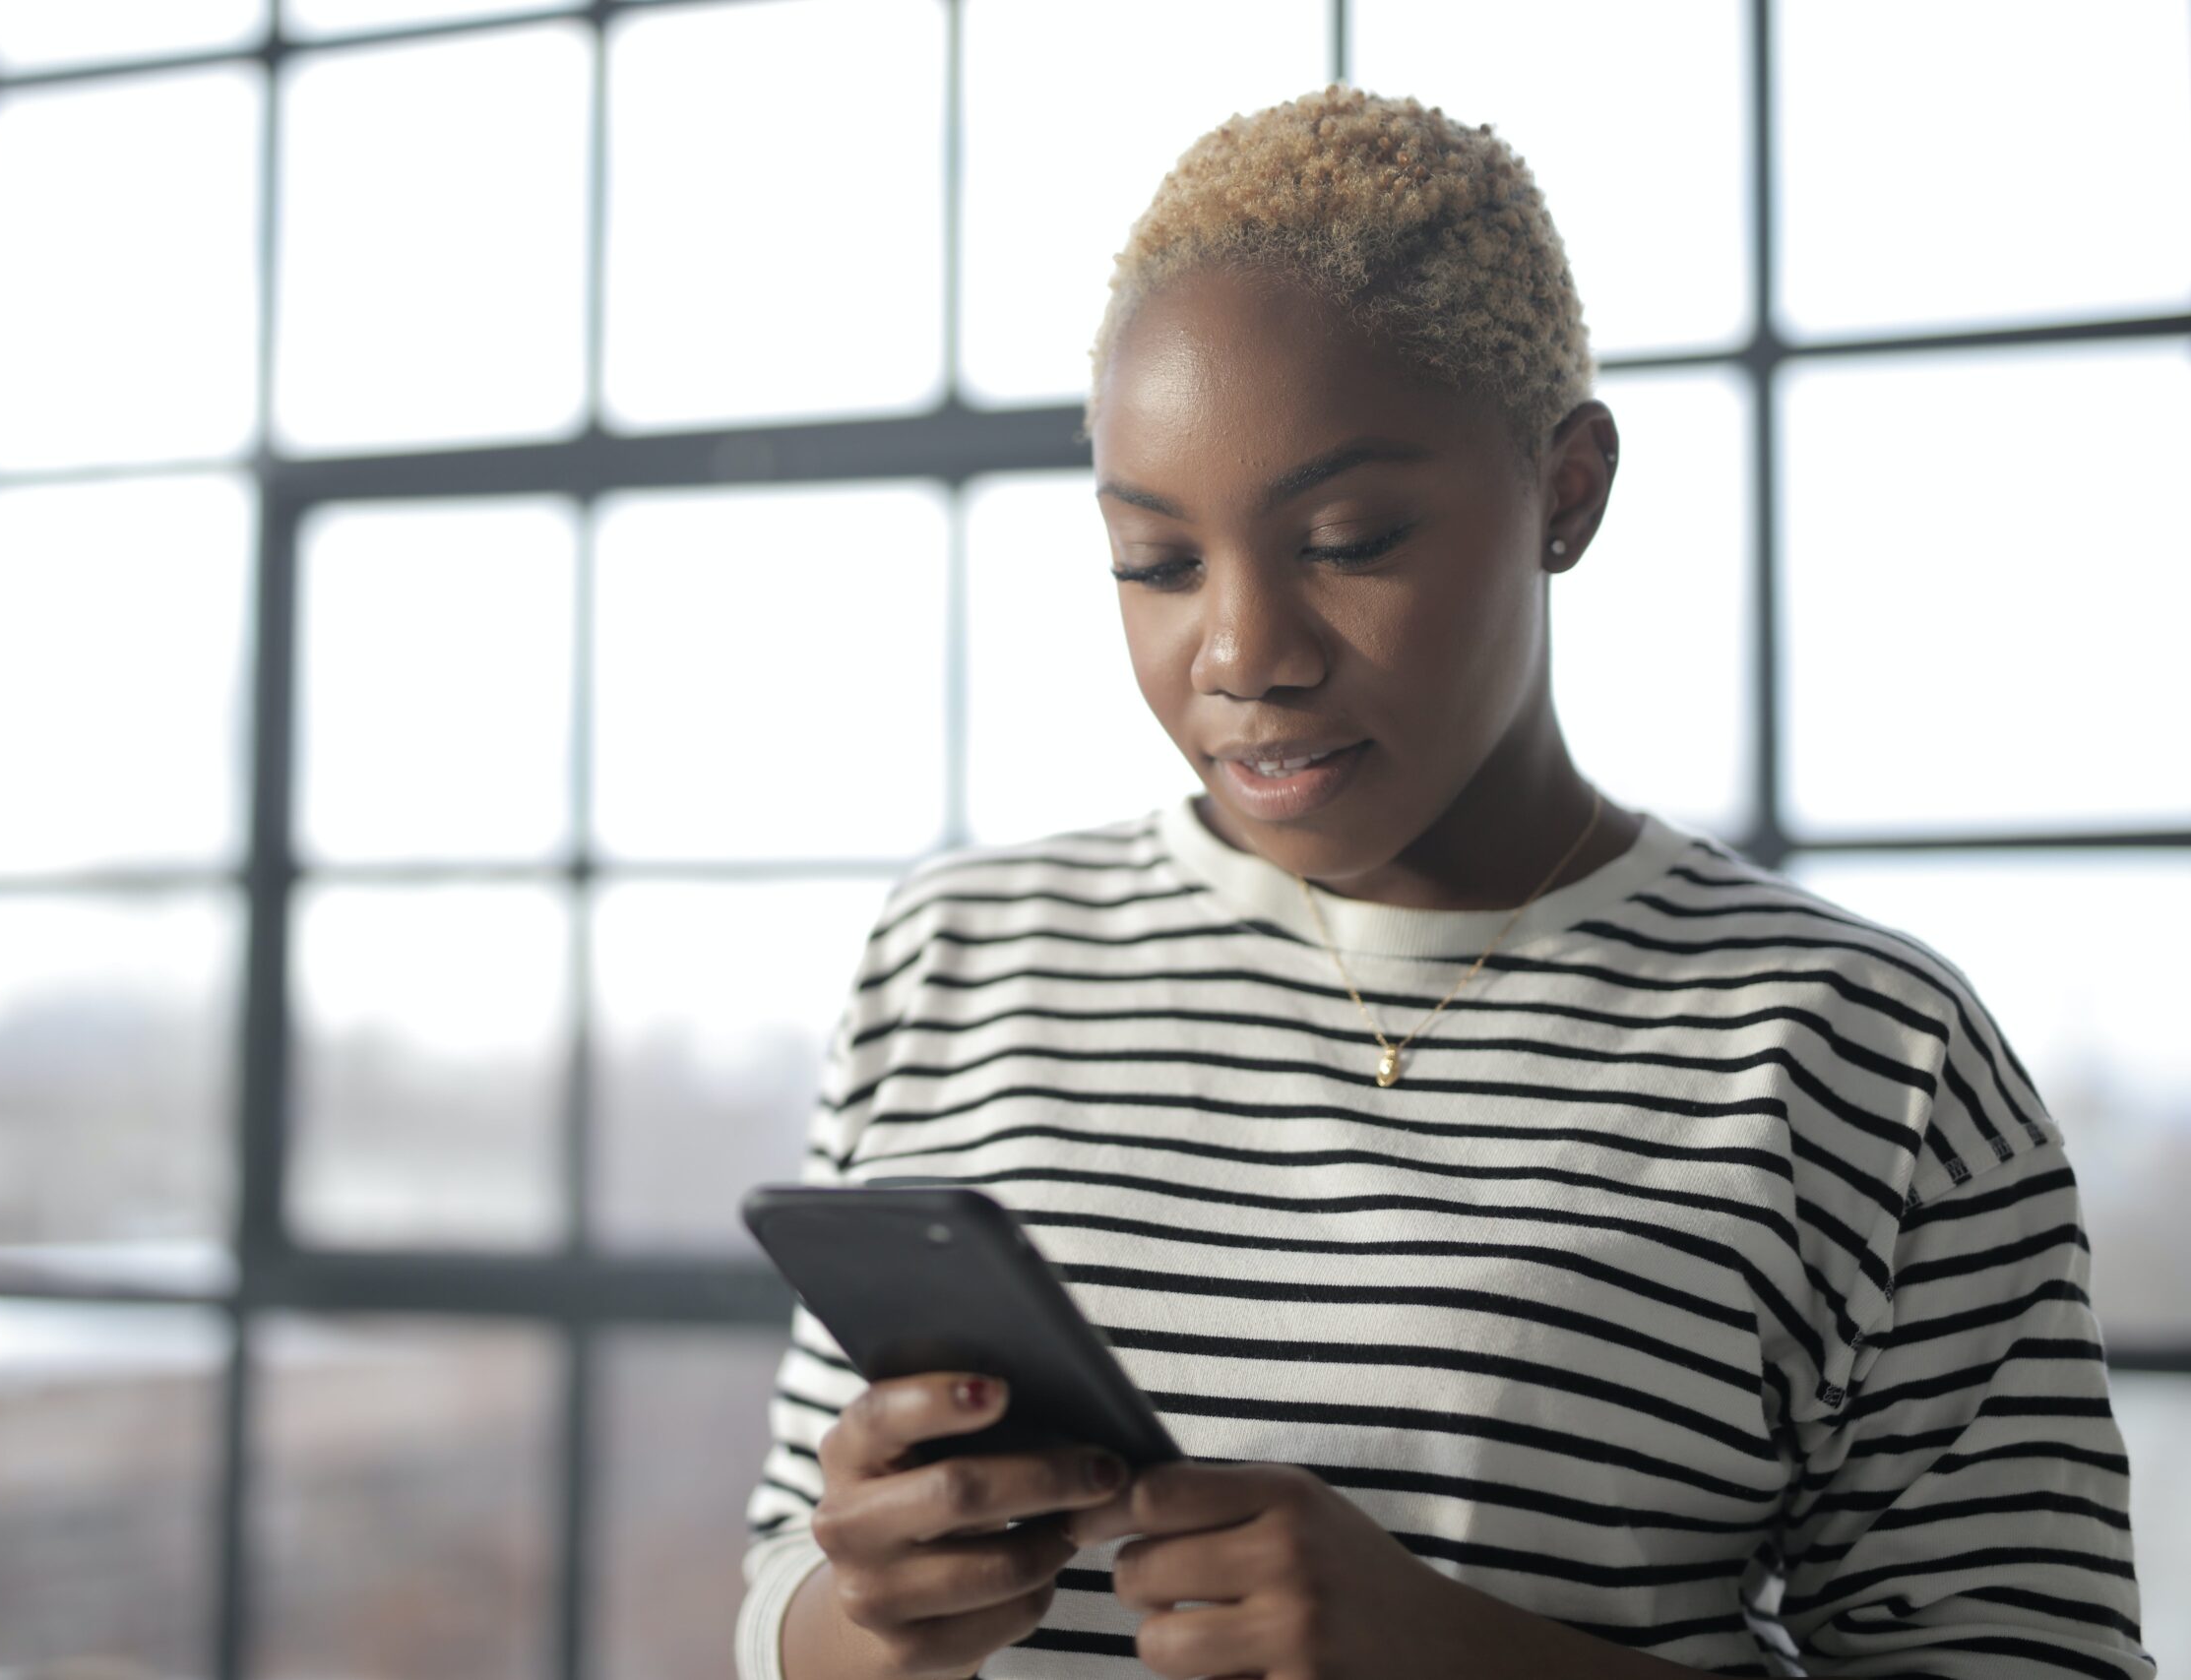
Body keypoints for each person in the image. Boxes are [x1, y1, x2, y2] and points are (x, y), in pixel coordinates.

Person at [733, 85, 2154, 1680]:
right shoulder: (961, 953)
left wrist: (1466, 1659)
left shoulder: (1859, 1056)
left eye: (1347, 538)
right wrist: (863, 1613)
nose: (1240, 656)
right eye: (1155, 561)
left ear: (1567, 491)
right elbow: (790, 1568)